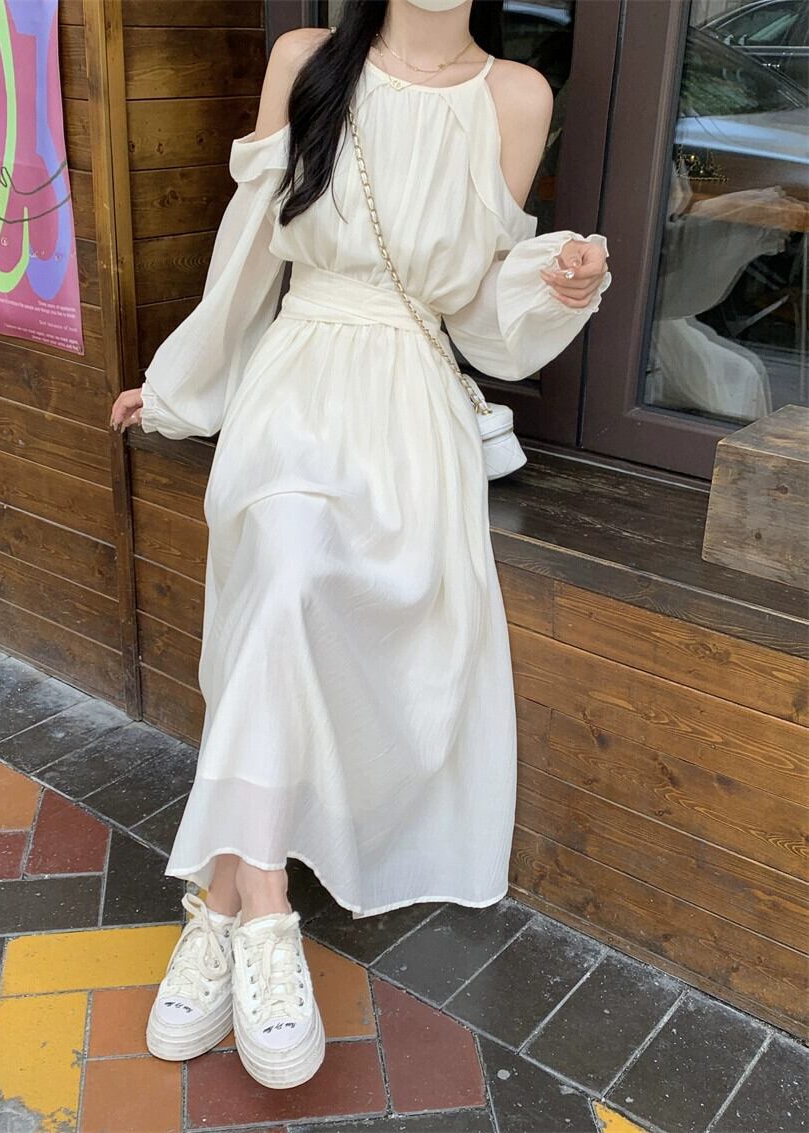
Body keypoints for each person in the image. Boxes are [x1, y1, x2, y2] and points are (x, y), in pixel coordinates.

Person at [109, 0, 611, 1091]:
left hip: (409, 407)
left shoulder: (515, 96)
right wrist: (184, 383)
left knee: (296, 604)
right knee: (287, 572)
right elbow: (249, 250)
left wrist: (553, 285)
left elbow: (476, 309)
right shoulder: (307, 61)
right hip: (296, 383)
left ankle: (222, 902)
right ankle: (269, 911)